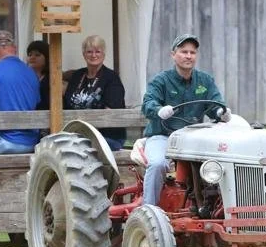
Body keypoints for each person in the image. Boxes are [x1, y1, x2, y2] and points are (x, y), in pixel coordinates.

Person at [140, 33, 231, 206]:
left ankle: (217, 207)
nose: (188, 56)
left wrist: (222, 112)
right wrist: (159, 110)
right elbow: (148, 103)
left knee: (221, 164)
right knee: (158, 164)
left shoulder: (205, 80)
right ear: (173, 54)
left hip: (193, 139)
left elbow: (215, 105)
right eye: (183, 51)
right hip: (163, 136)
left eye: (192, 52)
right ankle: (149, 210)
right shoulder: (161, 80)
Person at [63, 35, 126, 151]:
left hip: (107, 136)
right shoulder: (77, 76)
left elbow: (110, 112)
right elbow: (66, 104)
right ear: (83, 54)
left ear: (103, 55)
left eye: (98, 51)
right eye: (89, 52)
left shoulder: (111, 78)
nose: (93, 55)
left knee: (75, 148)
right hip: (77, 135)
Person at [26, 40, 50, 111]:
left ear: (47, 58)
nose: (32, 57)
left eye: (37, 55)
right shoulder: (23, 78)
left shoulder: (52, 79)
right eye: (30, 55)